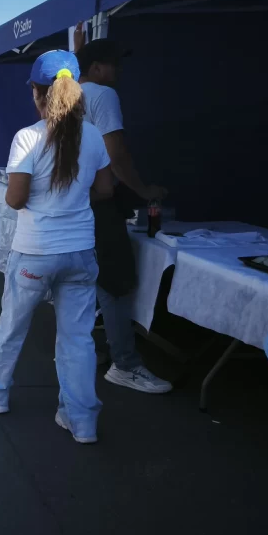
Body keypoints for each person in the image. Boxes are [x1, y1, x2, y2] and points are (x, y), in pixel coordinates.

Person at [0, 50, 114, 444]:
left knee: (13, 324)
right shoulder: (94, 136)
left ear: (37, 92)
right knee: (78, 338)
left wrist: (39, 197)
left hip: (35, 252)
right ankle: (81, 420)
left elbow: (15, 199)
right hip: (80, 251)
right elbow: (105, 189)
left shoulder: (28, 138)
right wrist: (74, 199)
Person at [76, 37, 172, 394]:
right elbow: (116, 154)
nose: (118, 70)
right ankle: (125, 364)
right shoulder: (103, 95)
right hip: (99, 203)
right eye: (113, 63)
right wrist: (144, 191)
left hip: (72, 202)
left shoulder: (67, 95)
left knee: (82, 283)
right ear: (96, 67)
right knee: (115, 282)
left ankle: (81, 351)